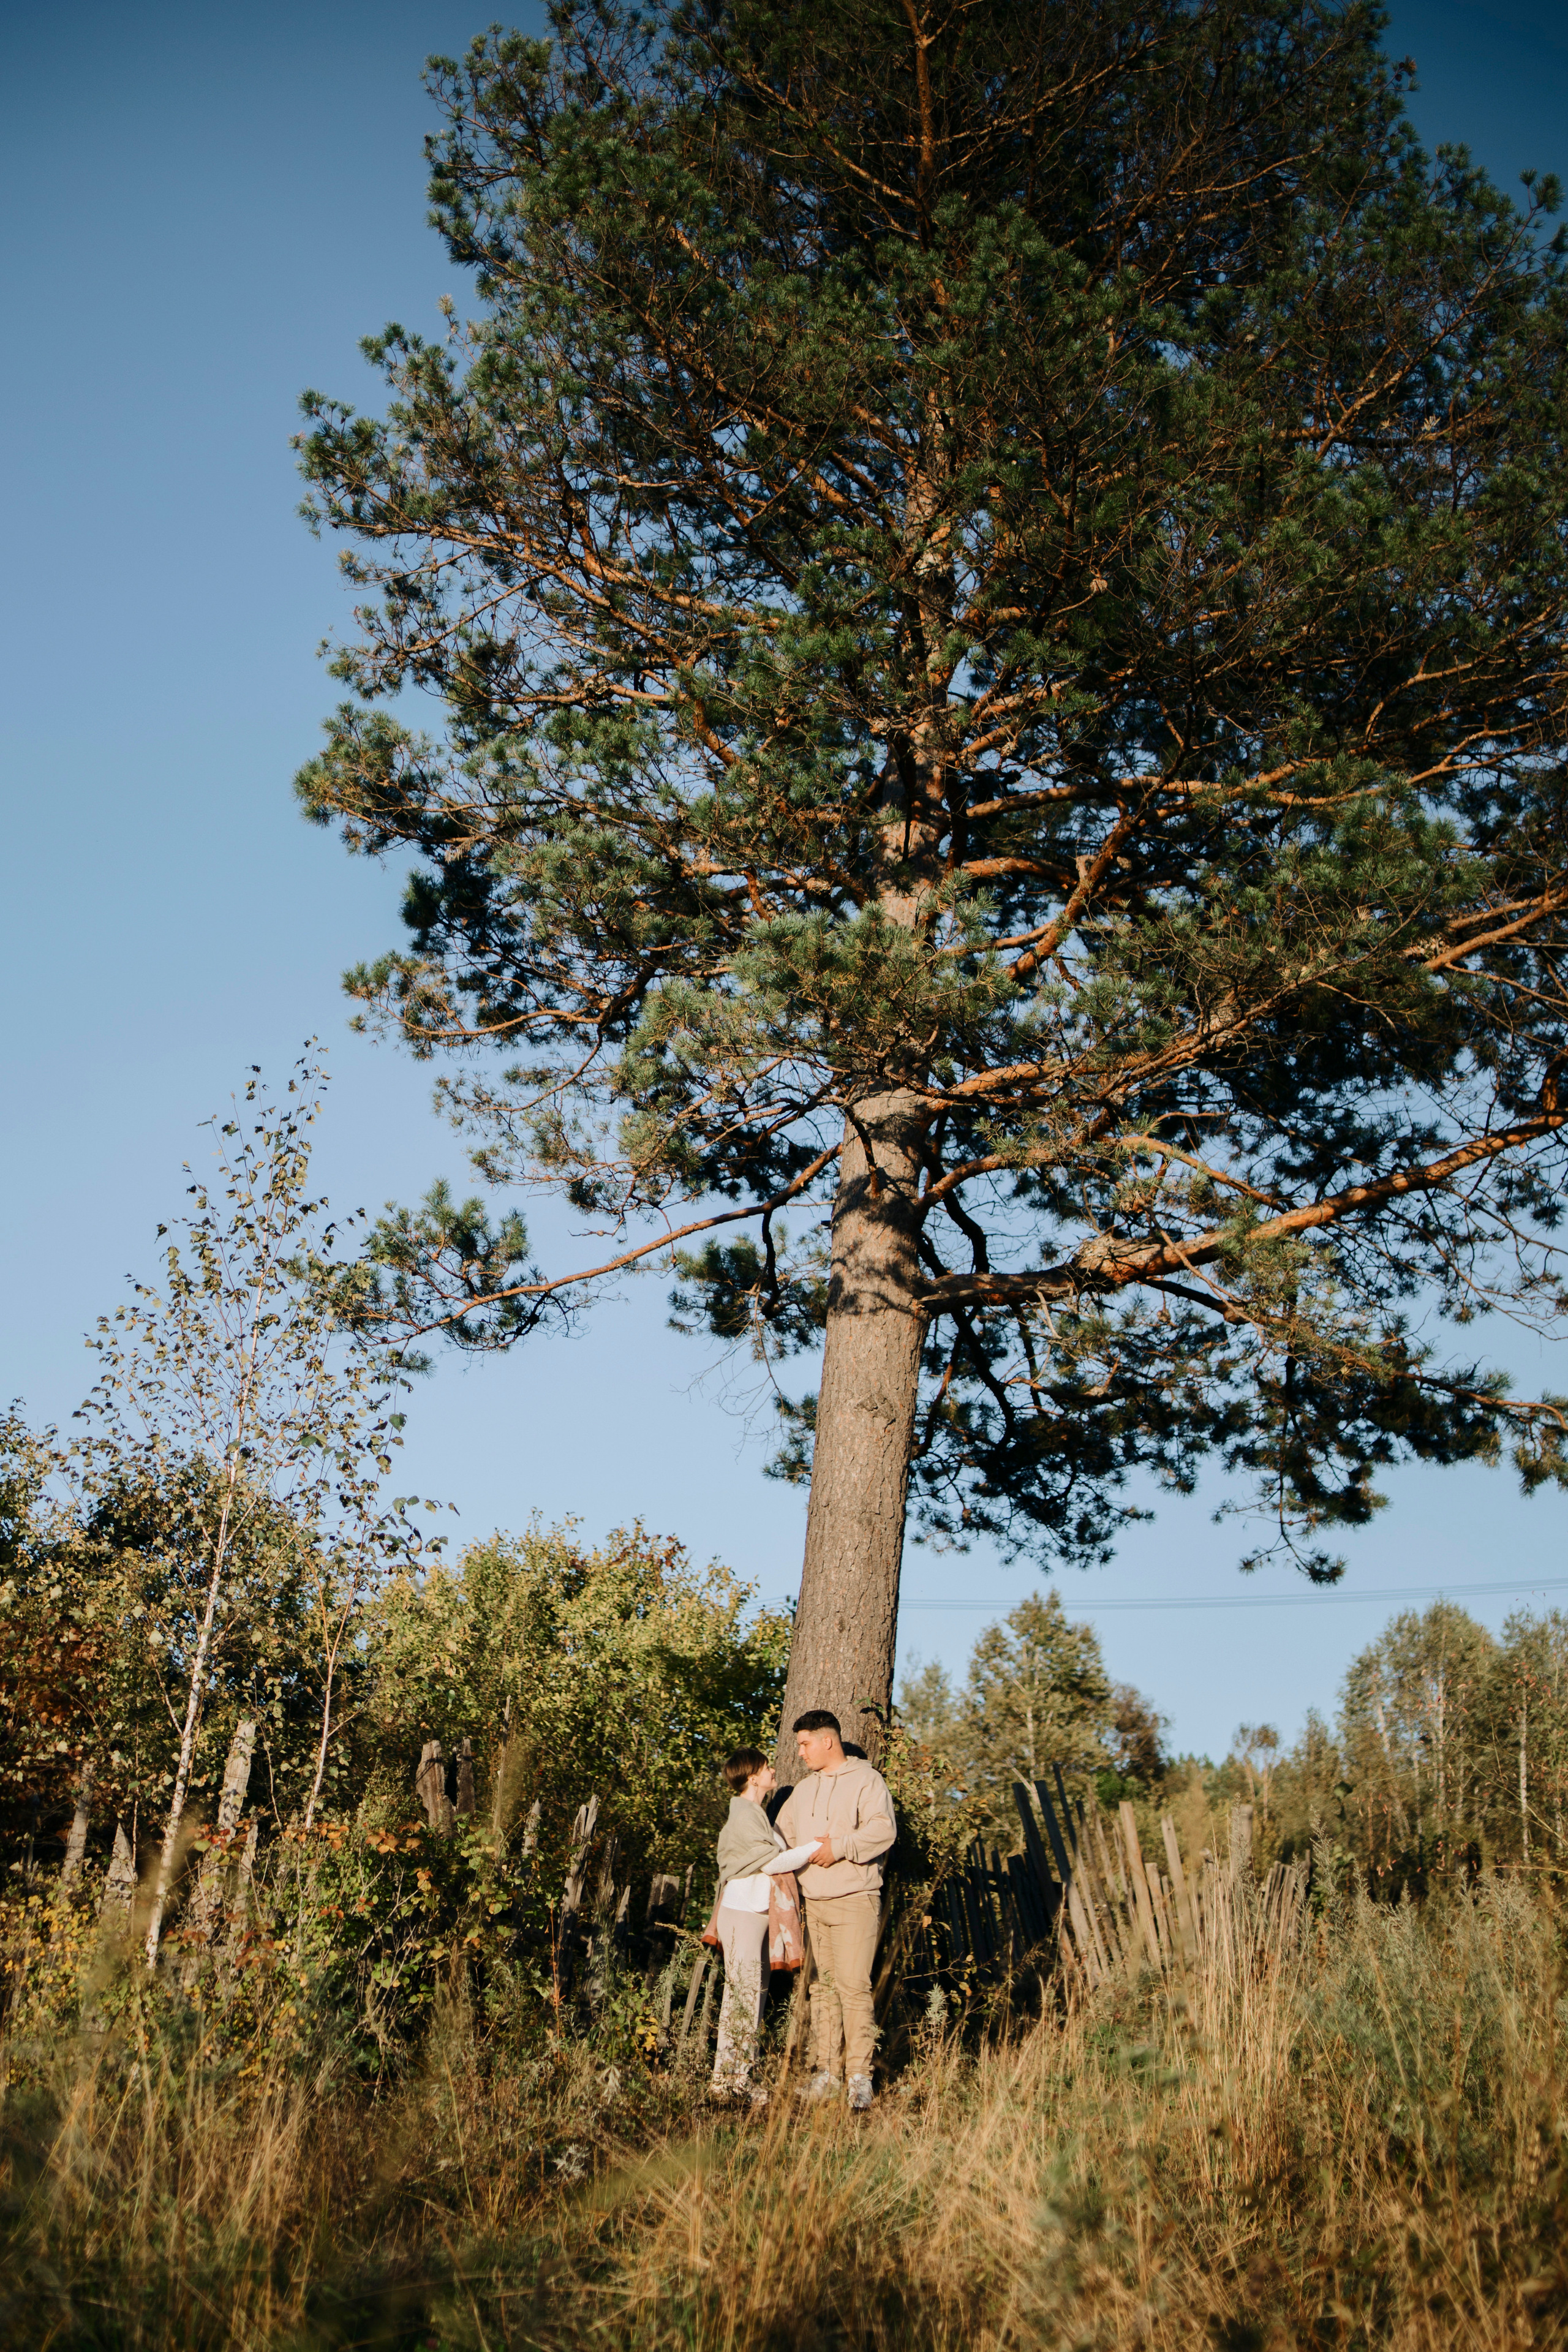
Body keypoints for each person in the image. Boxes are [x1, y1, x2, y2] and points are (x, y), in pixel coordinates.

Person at [775, 1710, 896, 2113]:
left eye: (805, 1744)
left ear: (828, 1741)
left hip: (856, 1900)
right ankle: (827, 2074)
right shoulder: (805, 1791)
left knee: (854, 1988)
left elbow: (883, 1830)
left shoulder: (867, 1780)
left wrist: (839, 1846)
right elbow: (782, 1835)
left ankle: (860, 2078)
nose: (801, 1752)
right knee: (821, 1990)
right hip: (815, 1904)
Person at [710, 1746, 785, 2103]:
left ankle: (735, 2078)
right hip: (742, 1912)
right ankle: (730, 2081)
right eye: (767, 1767)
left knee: (748, 1992)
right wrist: (819, 1848)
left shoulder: (756, 1814)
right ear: (753, 1776)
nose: (773, 1770)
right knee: (742, 1993)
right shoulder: (744, 1817)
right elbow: (771, 1861)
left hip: (752, 1913)